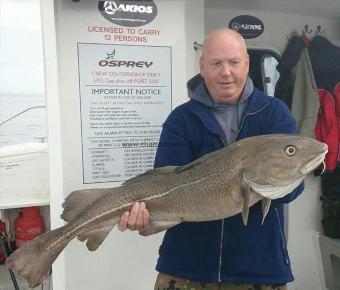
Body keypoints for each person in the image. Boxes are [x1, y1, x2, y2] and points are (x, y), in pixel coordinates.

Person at [118, 28, 304, 290]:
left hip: (260, 270)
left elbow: (292, 192)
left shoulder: (274, 114)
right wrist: (145, 216)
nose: (226, 72)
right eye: (216, 63)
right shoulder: (180, 120)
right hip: (185, 271)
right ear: (202, 66)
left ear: (247, 64)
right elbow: (164, 182)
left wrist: (265, 181)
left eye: (234, 62)